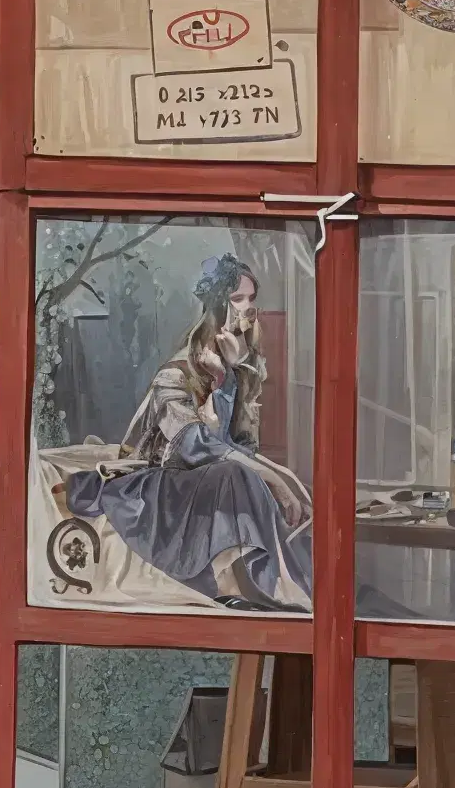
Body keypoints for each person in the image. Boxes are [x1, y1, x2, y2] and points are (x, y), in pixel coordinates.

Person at [61, 255, 314, 610]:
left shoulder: (236, 366)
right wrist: (271, 476)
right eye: (239, 299)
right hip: (163, 488)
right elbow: (194, 447)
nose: (250, 309)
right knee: (236, 475)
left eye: (252, 299)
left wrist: (231, 379)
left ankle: (283, 587)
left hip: (204, 481)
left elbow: (241, 444)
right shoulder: (177, 371)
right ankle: (234, 584)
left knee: (272, 481)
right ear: (217, 306)